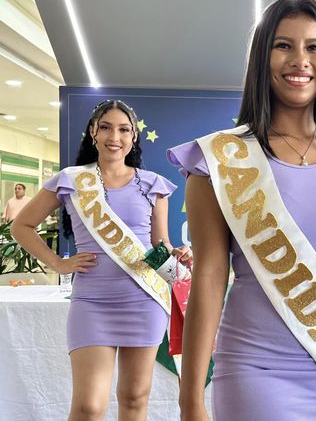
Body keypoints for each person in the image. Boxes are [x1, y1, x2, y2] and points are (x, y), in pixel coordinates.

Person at [167, 0, 316, 421]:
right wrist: (190, 400)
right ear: (262, 58)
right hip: (259, 373)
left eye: (314, 47)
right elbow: (210, 276)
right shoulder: (220, 159)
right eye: (283, 45)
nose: (300, 60)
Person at [11, 100, 192, 420]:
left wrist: (178, 254)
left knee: (134, 397)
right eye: (106, 127)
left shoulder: (153, 184)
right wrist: (58, 263)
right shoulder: (70, 180)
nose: (114, 137)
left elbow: (159, 244)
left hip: (143, 299)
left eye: (124, 130)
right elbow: (21, 226)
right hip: (91, 302)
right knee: (88, 406)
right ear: (93, 132)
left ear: (134, 136)